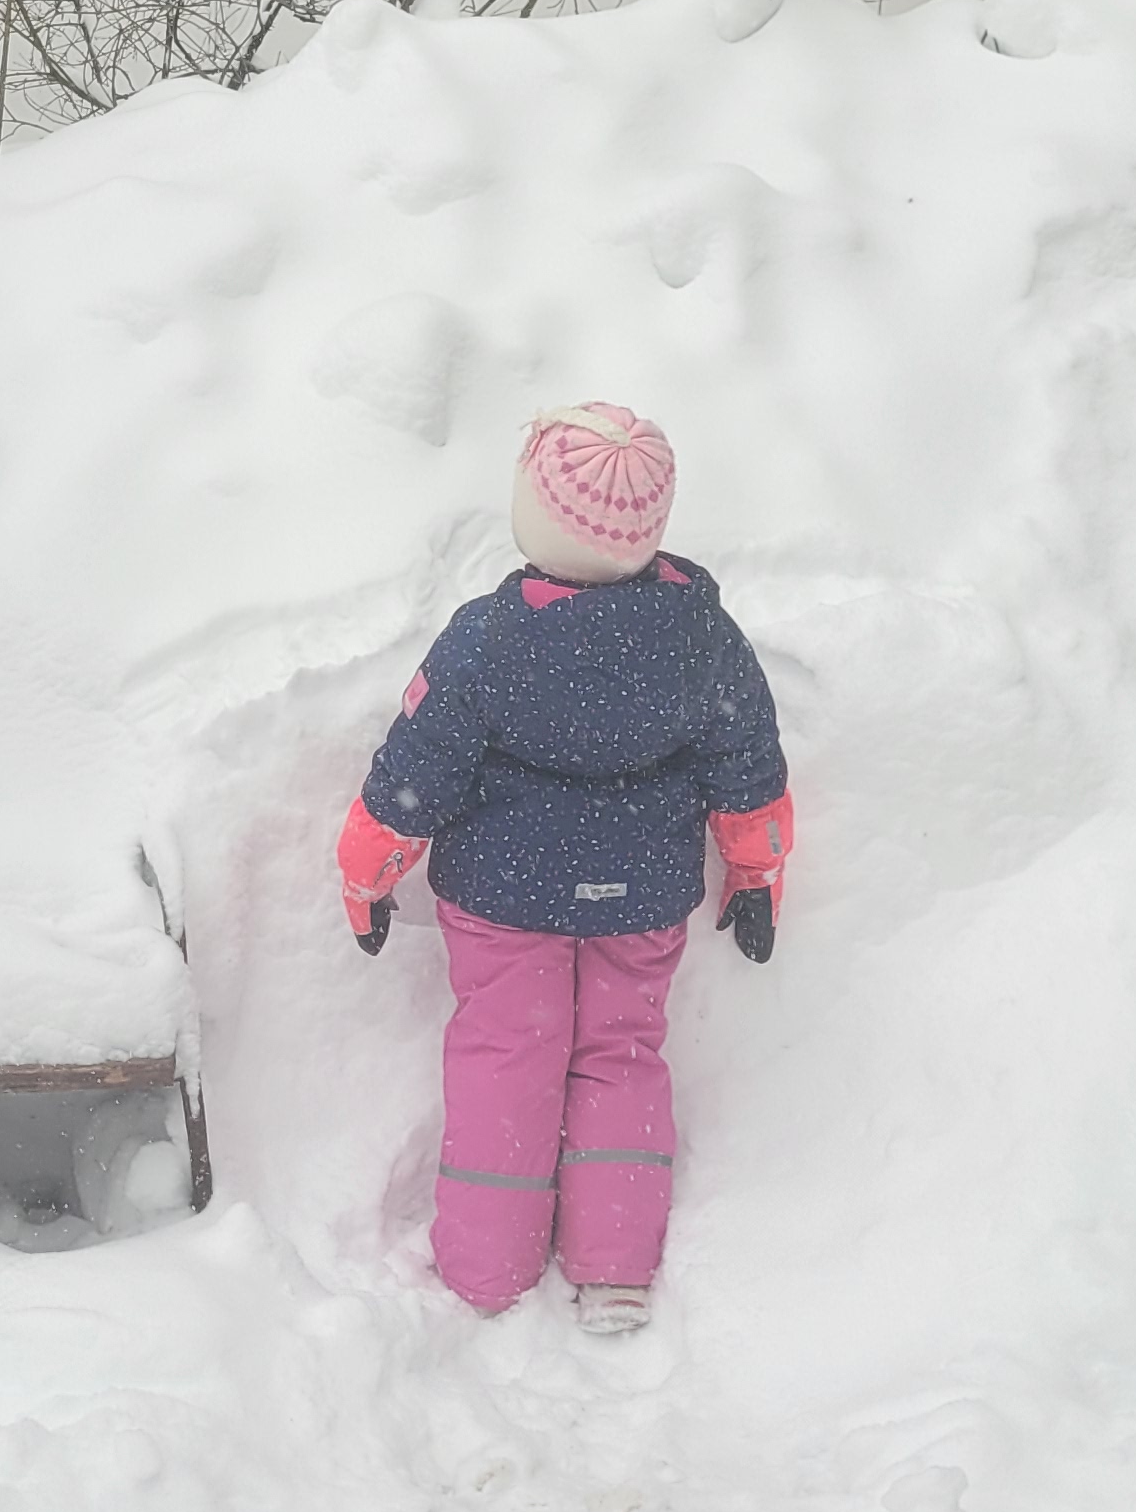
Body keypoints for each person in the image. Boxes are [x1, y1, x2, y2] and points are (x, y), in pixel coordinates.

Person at [332, 403, 794, 1334]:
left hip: (506, 897)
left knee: (511, 1053)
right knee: (620, 1054)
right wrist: (757, 873)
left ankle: (487, 1269)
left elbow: (415, 769)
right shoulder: (700, 637)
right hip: (641, 895)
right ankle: (615, 1266)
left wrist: (367, 871)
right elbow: (748, 766)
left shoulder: (489, 639)